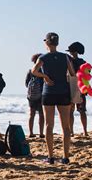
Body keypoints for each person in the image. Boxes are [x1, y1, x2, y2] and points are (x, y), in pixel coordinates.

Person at [32, 32, 75, 164]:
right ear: (57, 43)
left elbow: (34, 71)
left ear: (46, 43)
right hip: (63, 93)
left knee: (49, 125)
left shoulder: (43, 57)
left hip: (49, 92)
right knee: (66, 127)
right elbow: (72, 74)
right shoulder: (65, 57)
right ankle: (65, 157)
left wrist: (45, 77)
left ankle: (50, 157)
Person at [66, 42, 88, 137]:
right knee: (82, 111)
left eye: (71, 51)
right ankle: (85, 131)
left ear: (74, 51)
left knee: (71, 111)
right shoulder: (83, 62)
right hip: (81, 87)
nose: (70, 53)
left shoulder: (68, 61)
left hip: (71, 87)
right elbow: (87, 76)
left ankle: (71, 131)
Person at [25, 53, 45, 138]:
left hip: (31, 96)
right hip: (41, 95)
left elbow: (26, 84)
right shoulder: (43, 71)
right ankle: (41, 133)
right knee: (41, 114)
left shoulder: (30, 71)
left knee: (31, 114)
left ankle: (31, 133)